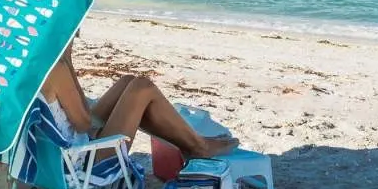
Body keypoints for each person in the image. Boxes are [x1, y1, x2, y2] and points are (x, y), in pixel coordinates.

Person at [38, 40, 237, 160]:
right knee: (142, 87)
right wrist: (67, 62)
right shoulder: (55, 68)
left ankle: (189, 141)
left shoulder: (25, 64)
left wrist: (67, 62)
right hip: (83, 157)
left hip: (55, 149)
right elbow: (83, 122)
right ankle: (199, 147)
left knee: (127, 82)